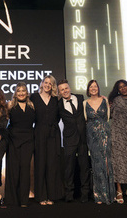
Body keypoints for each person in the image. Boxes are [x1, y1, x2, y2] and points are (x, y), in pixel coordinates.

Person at [30, 75, 63, 205]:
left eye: (50, 83)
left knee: (52, 165)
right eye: (46, 82)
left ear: (53, 86)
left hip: (53, 135)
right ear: (42, 83)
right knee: (40, 164)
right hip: (39, 133)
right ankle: (41, 196)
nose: (48, 85)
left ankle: (51, 196)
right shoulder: (34, 97)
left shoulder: (56, 99)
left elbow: (59, 117)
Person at [57, 79, 90, 203]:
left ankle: (85, 194)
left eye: (66, 88)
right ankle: (69, 194)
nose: (65, 91)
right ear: (59, 92)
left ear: (69, 88)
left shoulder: (81, 98)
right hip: (69, 139)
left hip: (83, 138)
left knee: (84, 167)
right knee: (69, 168)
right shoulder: (59, 105)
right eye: (62, 90)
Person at [5, 82, 36, 207]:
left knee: (25, 170)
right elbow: (3, 122)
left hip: (28, 141)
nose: (21, 93)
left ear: (27, 92)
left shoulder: (32, 106)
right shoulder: (10, 105)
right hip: (13, 141)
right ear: (15, 93)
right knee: (13, 170)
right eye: (19, 91)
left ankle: (24, 200)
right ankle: (12, 200)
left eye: (23, 90)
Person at [84, 80, 114, 204]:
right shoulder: (84, 103)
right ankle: (99, 195)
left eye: (95, 86)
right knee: (96, 163)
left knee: (107, 162)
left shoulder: (105, 100)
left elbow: (107, 117)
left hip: (105, 133)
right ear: (88, 89)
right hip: (92, 135)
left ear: (98, 88)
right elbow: (85, 119)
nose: (93, 88)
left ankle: (110, 194)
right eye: (91, 87)